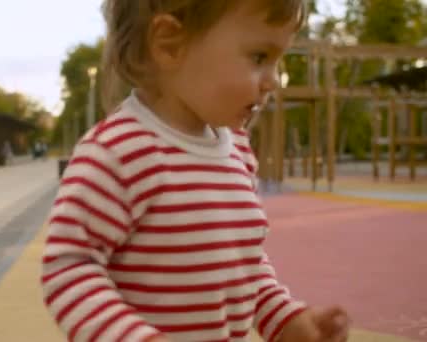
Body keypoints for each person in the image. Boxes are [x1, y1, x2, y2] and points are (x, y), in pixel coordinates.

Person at [41, 1, 351, 341]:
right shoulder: (118, 152)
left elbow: (240, 266)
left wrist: (286, 319)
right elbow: (68, 266)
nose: (273, 82)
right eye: (260, 57)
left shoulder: (238, 152)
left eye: (279, 61)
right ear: (169, 44)